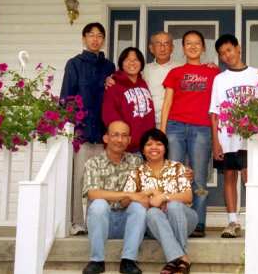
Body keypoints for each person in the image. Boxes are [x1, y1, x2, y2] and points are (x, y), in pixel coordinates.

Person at [160, 30, 219, 237]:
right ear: (183, 48)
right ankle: (173, 218)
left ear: (203, 48)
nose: (193, 47)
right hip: (175, 127)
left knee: (199, 178)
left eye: (197, 43)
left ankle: (199, 222)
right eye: (188, 43)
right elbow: (167, 102)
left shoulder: (214, 72)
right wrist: (162, 130)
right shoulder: (175, 73)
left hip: (201, 128)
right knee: (175, 175)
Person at [209, 34, 258, 238]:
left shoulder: (257, 75)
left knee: (249, 177)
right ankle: (233, 222)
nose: (227, 55)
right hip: (226, 137)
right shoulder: (220, 79)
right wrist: (216, 142)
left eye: (229, 50)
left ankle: (255, 221)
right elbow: (215, 112)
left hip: (250, 137)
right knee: (230, 177)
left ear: (238, 48)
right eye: (222, 53)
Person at [60, 22, 115, 235]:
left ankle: (96, 222)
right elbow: (66, 97)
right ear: (84, 38)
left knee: (100, 179)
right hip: (82, 132)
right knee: (79, 179)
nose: (95, 39)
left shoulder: (109, 66)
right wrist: (72, 126)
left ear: (103, 39)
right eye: (91, 35)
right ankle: (77, 222)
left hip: (103, 132)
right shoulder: (74, 64)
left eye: (99, 35)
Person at [124, 128, 197, 274]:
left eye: (158, 144)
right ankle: (181, 259)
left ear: (165, 148)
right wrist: (148, 195)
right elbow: (125, 201)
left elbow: (188, 196)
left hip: (184, 220)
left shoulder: (178, 168)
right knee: (152, 213)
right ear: (143, 150)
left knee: (174, 206)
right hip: (155, 226)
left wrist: (164, 197)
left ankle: (174, 259)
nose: (154, 148)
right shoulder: (136, 173)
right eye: (149, 144)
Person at [82, 120, 149, 274]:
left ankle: (128, 261)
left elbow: (153, 177)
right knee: (98, 204)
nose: (120, 140)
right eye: (115, 135)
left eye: (124, 135)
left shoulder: (136, 161)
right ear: (106, 138)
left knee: (138, 207)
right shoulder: (94, 163)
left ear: (129, 140)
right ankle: (97, 261)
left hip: (129, 223)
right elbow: (92, 192)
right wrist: (127, 194)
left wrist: (183, 173)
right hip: (102, 223)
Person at [102, 47, 155, 153]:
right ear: (121, 63)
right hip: (125, 148)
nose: (132, 63)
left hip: (146, 147)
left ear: (141, 63)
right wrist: (122, 140)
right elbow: (109, 116)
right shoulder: (114, 85)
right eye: (127, 60)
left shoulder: (143, 83)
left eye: (135, 60)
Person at [143, 31, 181, 125]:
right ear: (151, 48)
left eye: (166, 44)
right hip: (150, 122)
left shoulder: (181, 68)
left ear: (172, 48)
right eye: (158, 44)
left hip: (175, 123)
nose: (162, 48)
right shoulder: (144, 70)